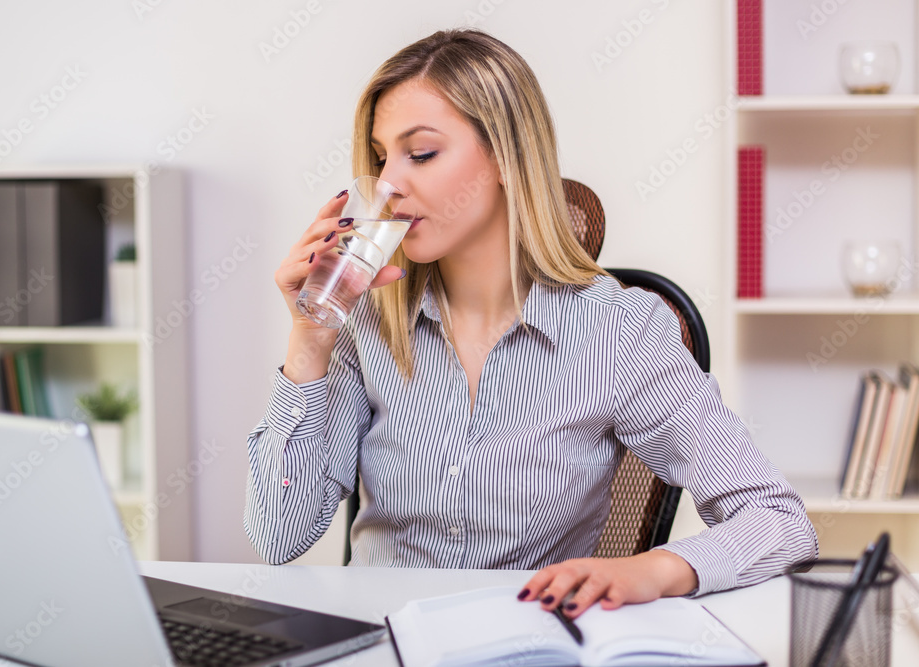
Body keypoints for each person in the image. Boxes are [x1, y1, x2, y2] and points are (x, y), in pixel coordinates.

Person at [244, 28, 817, 620]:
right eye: (381, 156)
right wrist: (308, 341)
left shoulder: (619, 329)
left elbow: (777, 521)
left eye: (420, 153)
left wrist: (652, 571)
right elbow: (277, 534)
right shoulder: (366, 315)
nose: (389, 184)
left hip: (525, 641)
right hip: (381, 641)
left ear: (505, 157)